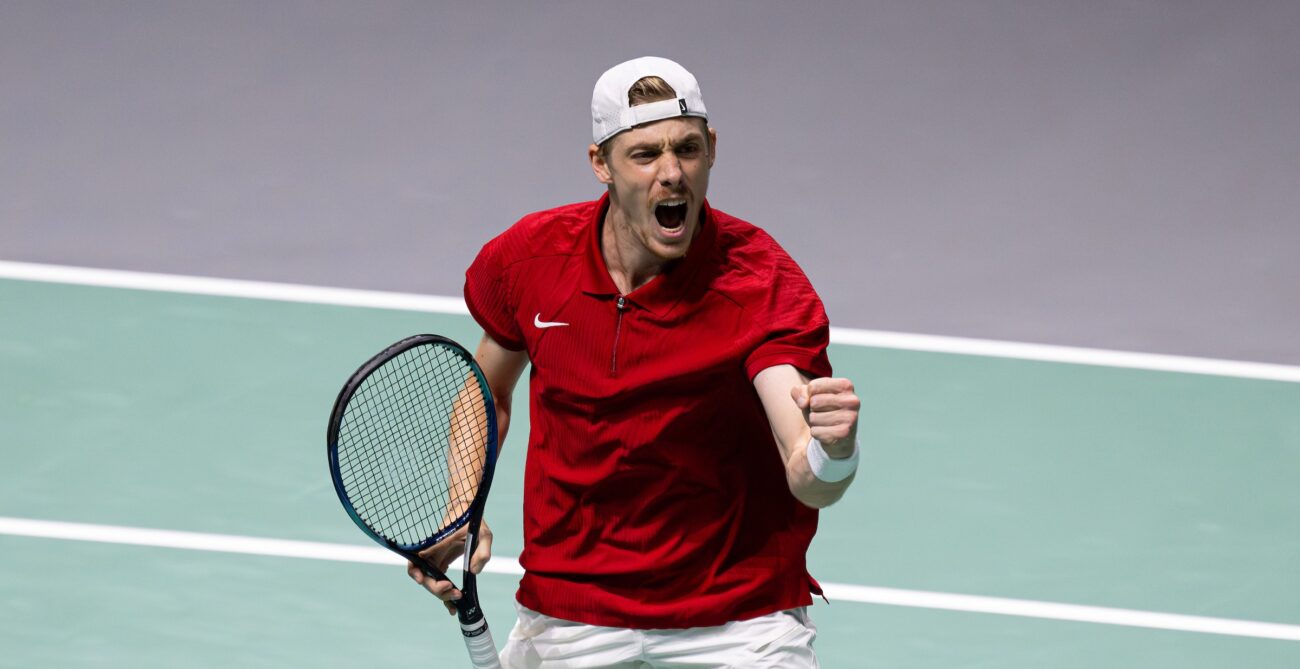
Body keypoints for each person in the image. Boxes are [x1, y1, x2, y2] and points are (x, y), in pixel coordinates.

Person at [409, 56, 861, 668]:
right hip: (573, 608)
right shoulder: (532, 262)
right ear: (601, 164)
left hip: (737, 617)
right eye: (645, 154)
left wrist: (835, 453)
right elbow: (490, 390)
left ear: (712, 150)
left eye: (688, 149)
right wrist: (462, 510)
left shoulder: (759, 282)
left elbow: (803, 468)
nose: (672, 173)